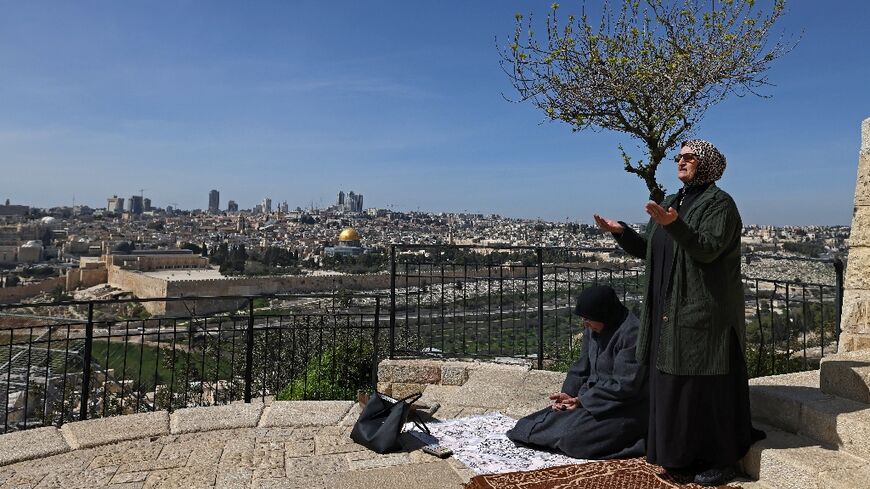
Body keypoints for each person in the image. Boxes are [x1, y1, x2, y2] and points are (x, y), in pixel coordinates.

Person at [593, 140, 761, 486]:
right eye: (679, 157)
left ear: (708, 163)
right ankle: (679, 457)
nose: (681, 162)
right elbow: (651, 251)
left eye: (689, 157)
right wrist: (622, 232)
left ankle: (722, 458)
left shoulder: (721, 205)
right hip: (667, 310)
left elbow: (708, 249)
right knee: (673, 387)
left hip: (703, 312)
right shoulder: (673, 201)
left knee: (705, 388)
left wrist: (674, 225)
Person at [506, 285, 648, 460]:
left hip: (622, 408)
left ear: (604, 314)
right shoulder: (594, 328)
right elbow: (582, 367)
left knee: (572, 439)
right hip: (590, 401)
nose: (585, 323)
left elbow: (624, 386)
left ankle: (639, 441)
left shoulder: (632, 334)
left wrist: (583, 401)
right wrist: (569, 394)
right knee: (526, 425)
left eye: (588, 319)